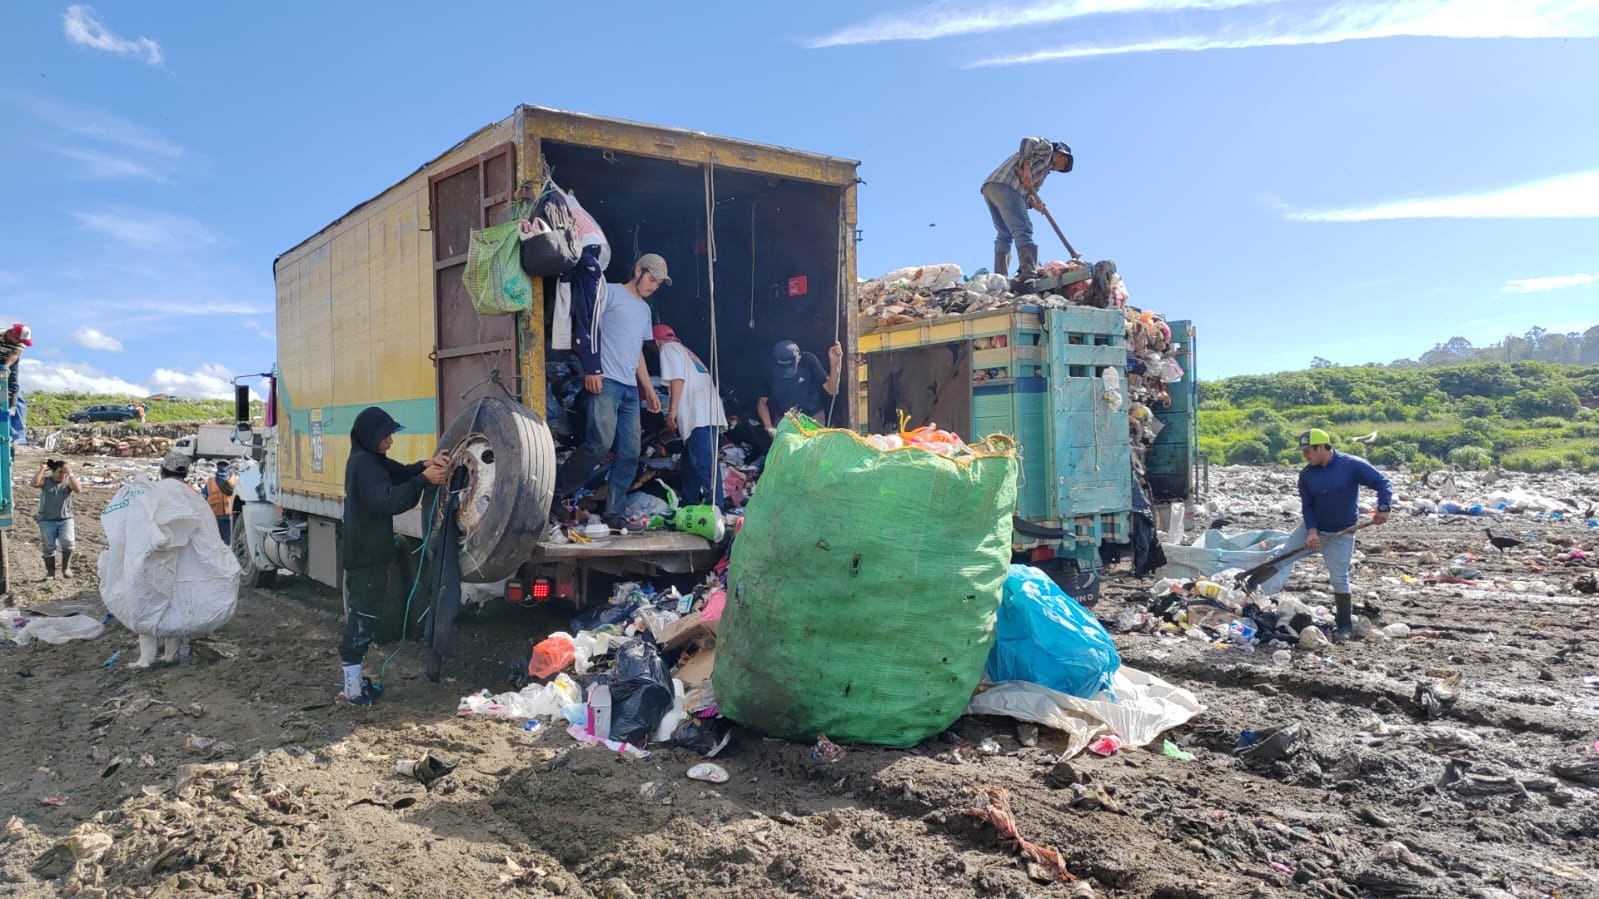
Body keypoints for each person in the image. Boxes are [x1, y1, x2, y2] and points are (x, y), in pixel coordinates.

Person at [339, 406, 449, 705]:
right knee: (363, 617)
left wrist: (425, 466)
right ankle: (351, 689)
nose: (390, 440)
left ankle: (355, 680)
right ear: (371, 436)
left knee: (367, 614)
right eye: (386, 435)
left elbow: (398, 471)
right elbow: (388, 500)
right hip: (366, 558)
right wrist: (423, 480)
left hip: (369, 554)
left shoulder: (370, 460)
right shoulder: (364, 464)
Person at [553, 253, 667, 530]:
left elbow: (637, 351)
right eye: (651, 279)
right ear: (637, 270)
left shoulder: (644, 310)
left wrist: (649, 390)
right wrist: (592, 369)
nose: (653, 286)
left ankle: (613, 513)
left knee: (629, 452)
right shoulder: (609, 292)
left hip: (629, 388)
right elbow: (587, 327)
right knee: (599, 444)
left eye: (658, 283)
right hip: (605, 383)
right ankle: (555, 491)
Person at [1260, 428, 1392, 640]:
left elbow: (1382, 482)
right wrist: (1312, 532)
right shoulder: (1307, 475)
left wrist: (1383, 508)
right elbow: (1308, 507)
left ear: (1321, 447)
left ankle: (1344, 627)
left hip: (1342, 532)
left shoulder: (1351, 465)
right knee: (1283, 557)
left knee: (1339, 578)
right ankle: (1253, 595)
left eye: (1307, 451)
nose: (1305, 456)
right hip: (1312, 527)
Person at [654, 324, 727, 507]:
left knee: (704, 462)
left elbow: (677, 378)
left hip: (697, 412)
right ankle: (689, 502)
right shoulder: (685, 350)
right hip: (708, 409)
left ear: (656, 341)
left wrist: (672, 411)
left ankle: (715, 506)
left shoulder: (667, 349)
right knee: (691, 462)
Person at [981, 138, 1073, 280]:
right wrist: (1027, 167)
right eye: (1064, 163)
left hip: (992, 188)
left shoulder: (1042, 174)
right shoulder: (1047, 150)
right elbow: (1028, 141)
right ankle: (1029, 273)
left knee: (1005, 234)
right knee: (1023, 229)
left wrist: (1034, 204)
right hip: (1006, 184)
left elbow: (1026, 196)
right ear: (1060, 154)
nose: (1061, 168)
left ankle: (1000, 278)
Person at [757, 339, 842, 432]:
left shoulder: (808, 361)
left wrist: (835, 364)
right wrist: (769, 427)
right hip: (785, 418)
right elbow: (762, 402)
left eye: (789, 368)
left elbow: (832, 390)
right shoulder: (769, 369)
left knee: (813, 444)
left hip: (812, 415)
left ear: (798, 358)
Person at [33, 458, 82, 578]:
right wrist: (42, 469)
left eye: (64, 472)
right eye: (60, 472)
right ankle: (51, 573)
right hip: (47, 520)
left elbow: (79, 489)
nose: (62, 475)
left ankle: (66, 569)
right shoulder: (46, 481)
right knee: (49, 547)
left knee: (69, 542)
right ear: (53, 472)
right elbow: (34, 483)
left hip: (65, 519)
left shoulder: (68, 482)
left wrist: (70, 473)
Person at [202, 461, 237, 545]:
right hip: (217, 517)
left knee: (223, 542)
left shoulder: (235, 481)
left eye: (224, 465)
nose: (222, 467)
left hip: (228, 517)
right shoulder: (211, 481)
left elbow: (203, 497)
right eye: (220, 465)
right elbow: (203, 497)